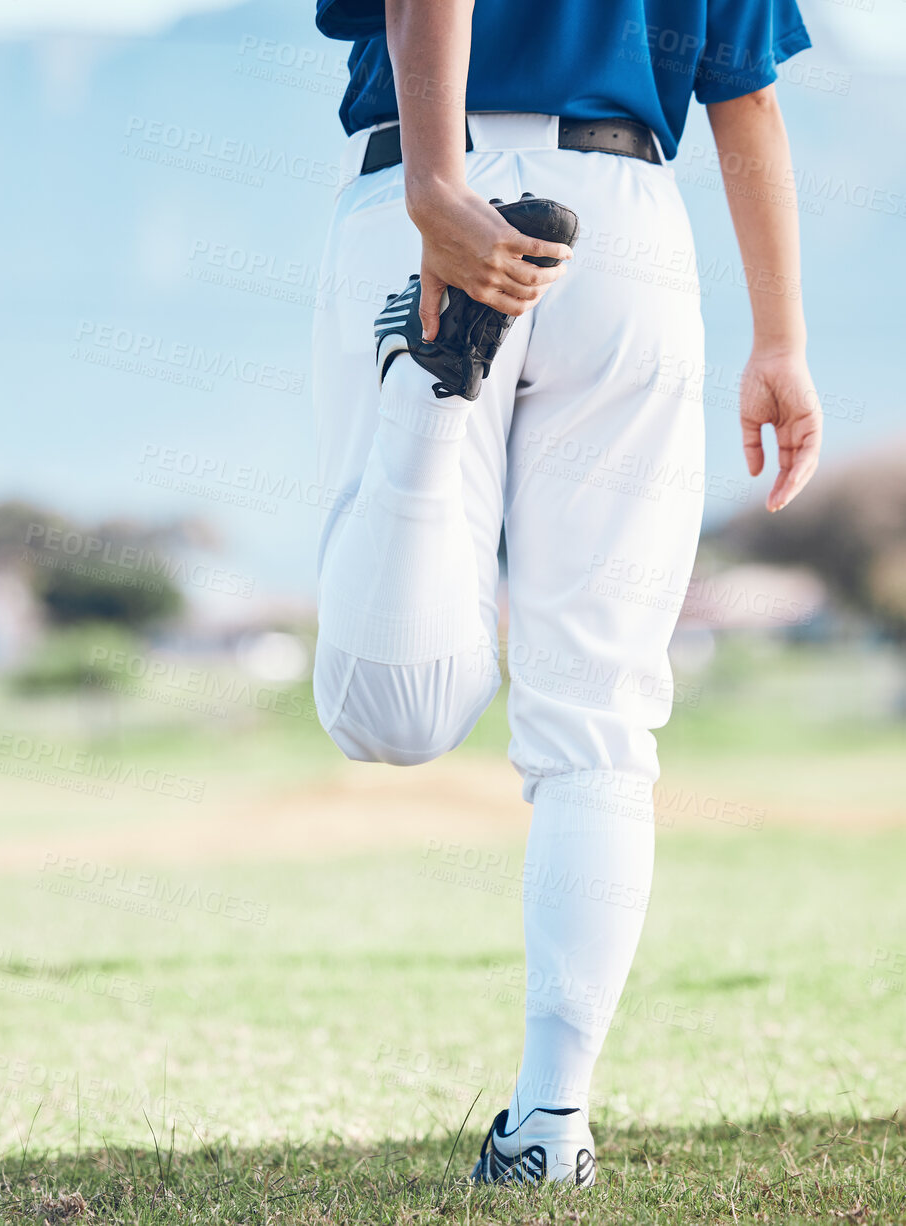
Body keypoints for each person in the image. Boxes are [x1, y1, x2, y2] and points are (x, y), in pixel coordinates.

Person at [310, 0, 822, 1185]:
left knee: (386, 717)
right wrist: (781, 341)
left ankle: (424, 398)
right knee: (598, 721)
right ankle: (550, 1123)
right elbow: (742, 90)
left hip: (417, 181)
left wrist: (440, 187)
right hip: (628, 226)